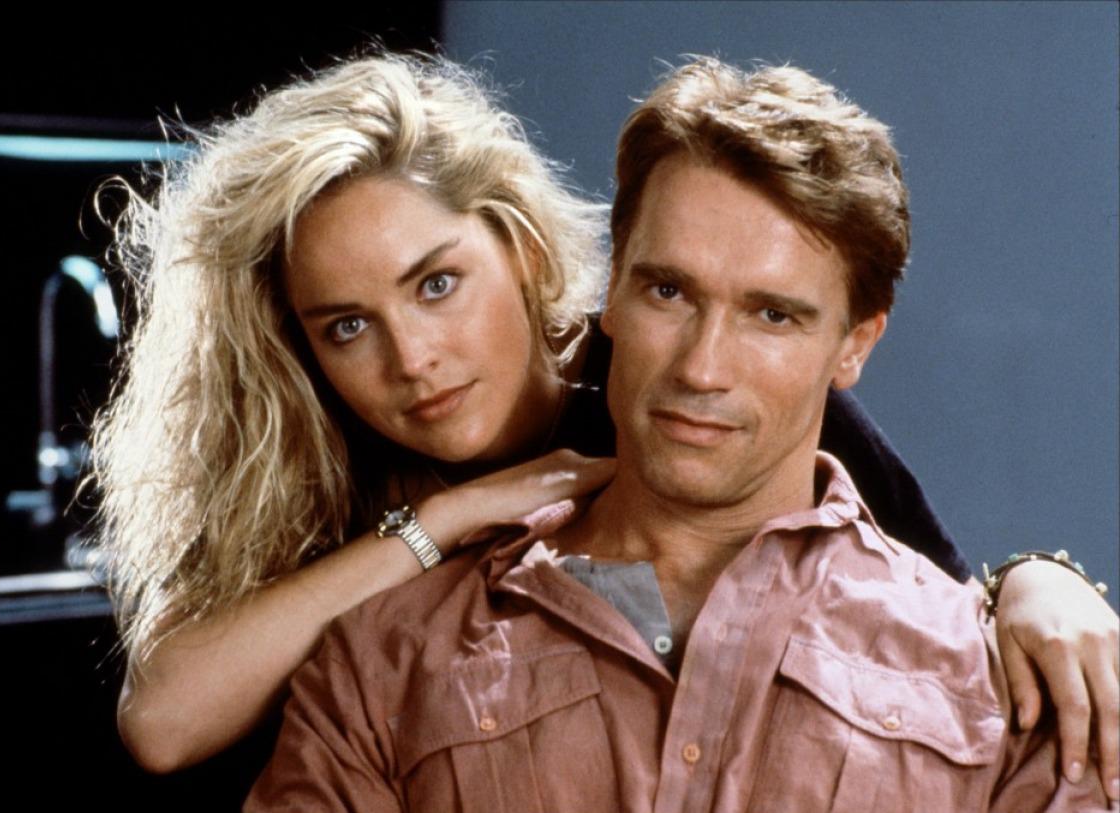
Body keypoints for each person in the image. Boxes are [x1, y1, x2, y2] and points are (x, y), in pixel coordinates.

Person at [92, 53, 1119, 782]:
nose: (413, 359)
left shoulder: (685, 392)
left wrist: (1043, 577)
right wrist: (441, 524)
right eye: (347, 326)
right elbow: (164, 721)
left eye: (438, 285)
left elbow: (920, 614)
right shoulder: (313, 461)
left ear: (525, 250)